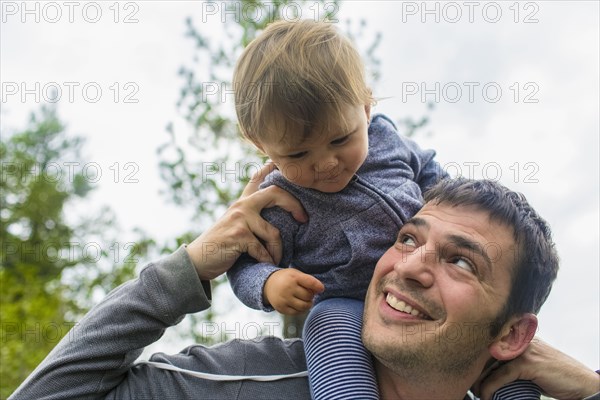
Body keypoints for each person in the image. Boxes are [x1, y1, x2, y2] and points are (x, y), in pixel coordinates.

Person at [9, 176, 599, 400]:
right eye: (406, 239)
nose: (411, 267)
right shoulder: (241, 384)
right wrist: (190, 267)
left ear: (513, 333)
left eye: (462, 263)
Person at [226, 19, 448, 399]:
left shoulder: (386, 139)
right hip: (350, 302)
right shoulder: (278, 200)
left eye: (341, 139)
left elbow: (431, 172)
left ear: (365, 107)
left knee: (491, 317)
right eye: (297, 154)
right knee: (325, 326)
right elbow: (244, 263)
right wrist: (268, 283)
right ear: (259, 143)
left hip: (431, 276)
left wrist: (461, 207)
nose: (326, 163)